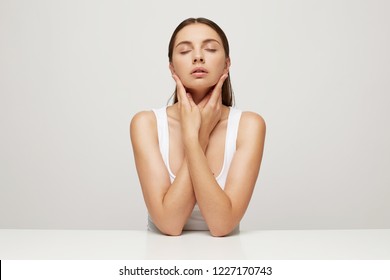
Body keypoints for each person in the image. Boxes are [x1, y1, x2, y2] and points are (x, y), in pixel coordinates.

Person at [130, 17, 266, 237]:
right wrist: (199, 136)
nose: (198, 56)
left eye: (210, 48)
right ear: (172, 67)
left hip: (226, 259)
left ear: (227, 63)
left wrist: (193, 139)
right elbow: (169, 224)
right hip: (162, 259)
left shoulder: (249, 126)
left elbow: (222, 225)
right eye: (184, 51)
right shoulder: (146, 124)